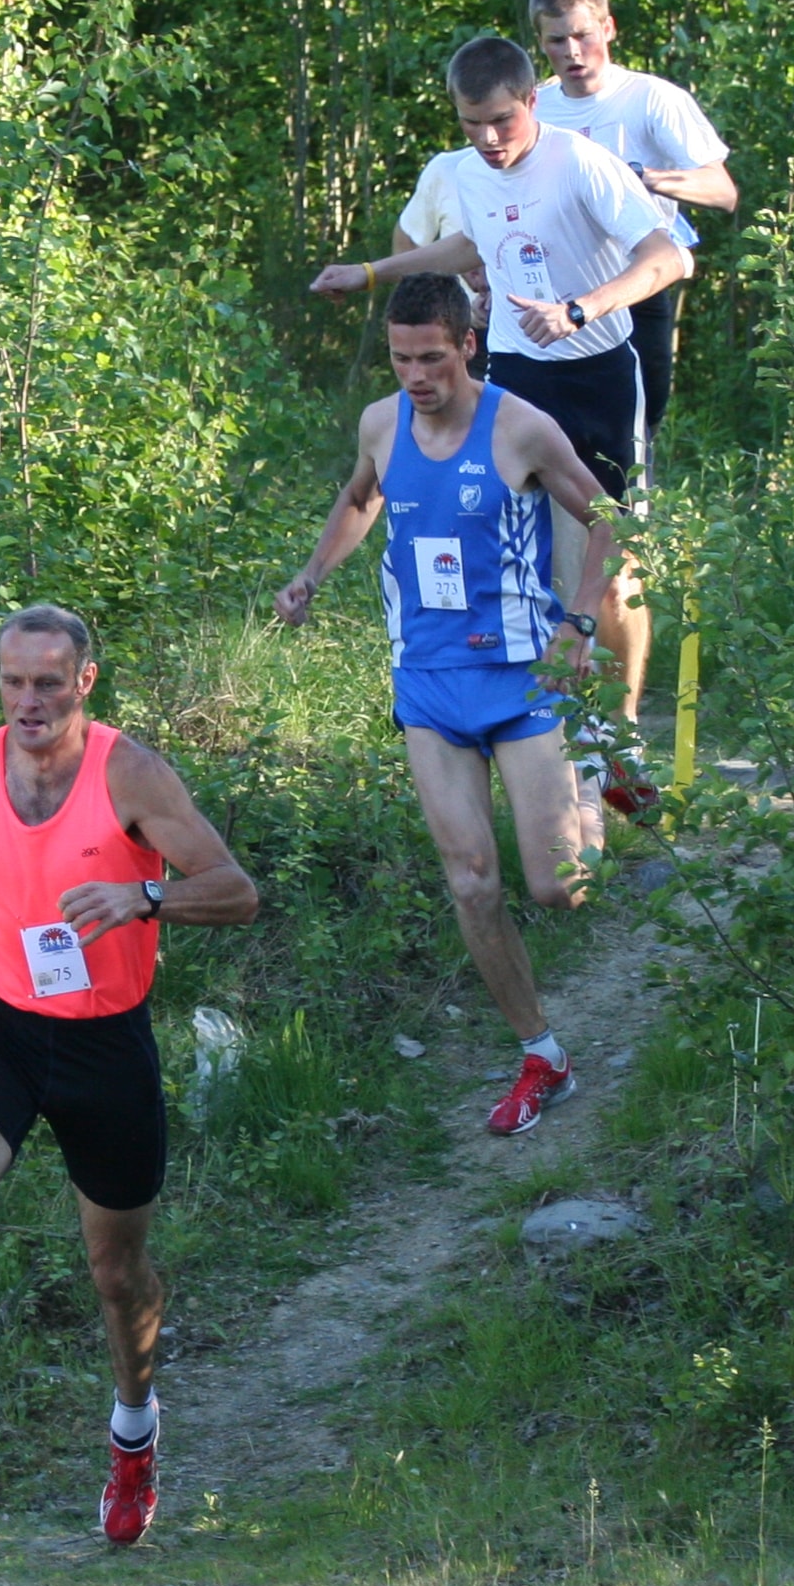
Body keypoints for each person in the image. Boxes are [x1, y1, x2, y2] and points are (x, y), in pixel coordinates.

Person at [0, 607, 260, 1547]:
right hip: (4, 1025)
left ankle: (134, 1432)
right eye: (12, 682)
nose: (28, 701)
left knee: (116, 1273)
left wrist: (145, 894)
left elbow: (237, 889)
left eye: (48, 682)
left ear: (86, 681)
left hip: (104, 1043)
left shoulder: (129, 772)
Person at [275, 272, 626, 1136]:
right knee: (472, 882)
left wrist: (580, 622)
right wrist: (312, 575)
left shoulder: (520, 428)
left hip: (521, 681)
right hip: (428, 683)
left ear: (469, 344)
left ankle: (593, 765)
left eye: (432, 358)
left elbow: (611, 516)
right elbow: (362, 498)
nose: (416, 376)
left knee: (559, 888)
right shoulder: (381, 423)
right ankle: (542, 1054)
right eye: (401, 359)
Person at [311, 36, 689, 811]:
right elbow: (470, 241)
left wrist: (581, 308)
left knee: (608, 570)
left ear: (533, 103)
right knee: (526, 567)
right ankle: (557, 757)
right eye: (471, 123)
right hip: (517, 374)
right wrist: (375, 272)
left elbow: (669, 258)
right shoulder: (469, 172)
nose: (487, 139)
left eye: (502, 122)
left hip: (598, 376)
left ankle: (616, 740)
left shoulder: (583, 164)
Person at [528, 0, 738, 750]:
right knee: (550, 514)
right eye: (556, 41)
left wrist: (645, 180)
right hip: (549, 315)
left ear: (609, 27)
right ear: (540, 47)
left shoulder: (652, 101)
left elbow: (722, 190)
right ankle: (560, 716)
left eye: (583, 35)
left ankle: (620, 723)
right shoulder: (535, 107)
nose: (573, 53)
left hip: (637, 304)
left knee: (618, 520)